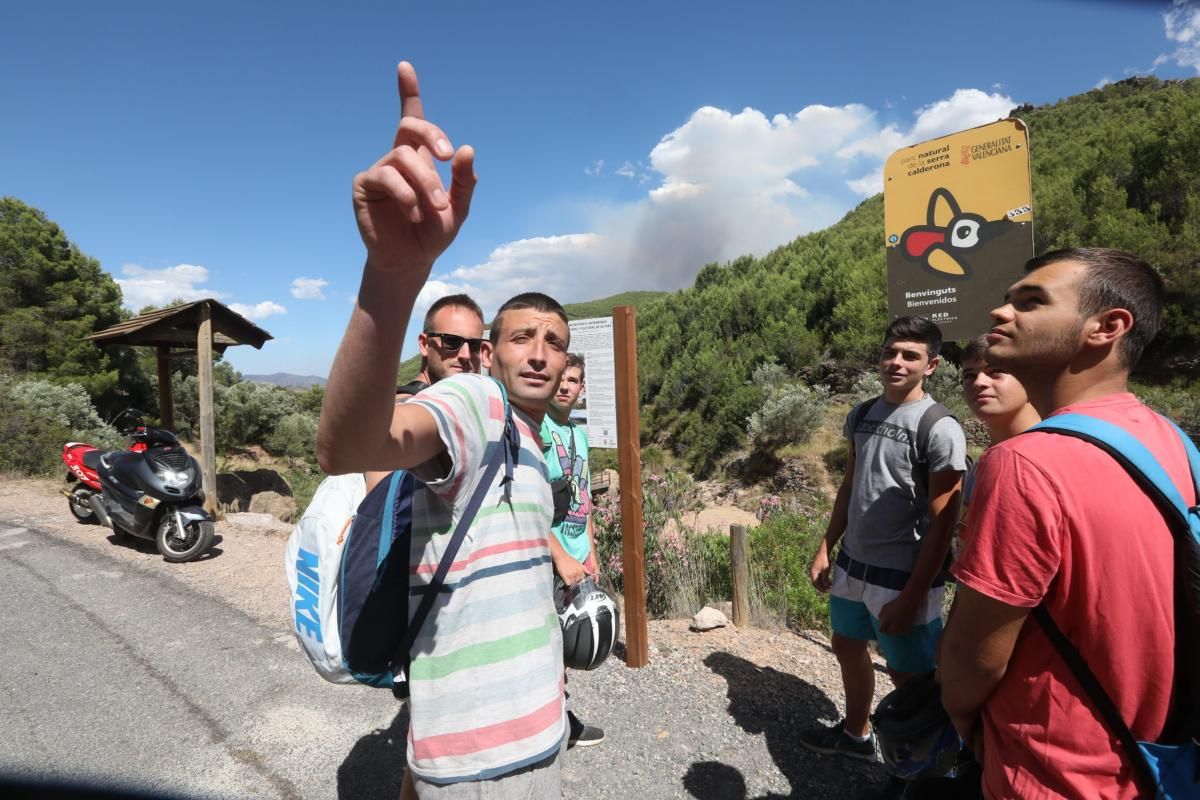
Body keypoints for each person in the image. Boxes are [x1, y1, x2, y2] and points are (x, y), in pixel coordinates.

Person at [317, 62, 567, 797]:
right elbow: (351, 449)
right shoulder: (476, 405)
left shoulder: (533, 435)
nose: (541, 352)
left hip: (537, 731)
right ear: (492, 351)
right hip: (480, 757)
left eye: (554, 340)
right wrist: (392, 277)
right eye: (523, 336)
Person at [939, 248, 1193, 799]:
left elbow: (972, 654)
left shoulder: (1025, 463)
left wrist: (961, 719)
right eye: (1007, 301)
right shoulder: (1173, 443)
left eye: (1031, 302)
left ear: (1107, 327)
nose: (1000, 314)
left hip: (1052, 771)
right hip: (1160, 764)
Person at [802, 316, 967, 773]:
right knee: (846, 643)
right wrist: (824, 547)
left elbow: (944, 519)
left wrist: (915, 594)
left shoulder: (940, 428)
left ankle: (927, 768)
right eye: (890, 352)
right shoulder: (862, 413)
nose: (896, 362)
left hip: (903, 577)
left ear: (931, 365)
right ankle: (857, 735)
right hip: (854, 566)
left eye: (910, 355)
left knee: (910, 675)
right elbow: (849, 486)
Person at [541, 353, 604, 748]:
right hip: (551, 558)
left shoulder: (578, 434)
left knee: (564, 644)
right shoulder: (539, 429)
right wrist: (561, 557)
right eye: (561, 378)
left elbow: (585, 496)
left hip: (577, 555)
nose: (566, 386)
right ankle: (554, 725)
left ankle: (556, 718)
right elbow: (526, 503)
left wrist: (590, 551)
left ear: (582, 389)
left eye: (574, 380)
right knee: (547, 644)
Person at [365, 293, 486, 494]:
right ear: (424, 344)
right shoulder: (403, 409)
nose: (465, 355)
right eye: (451, 341)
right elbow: (381, 505)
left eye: (474, 345)